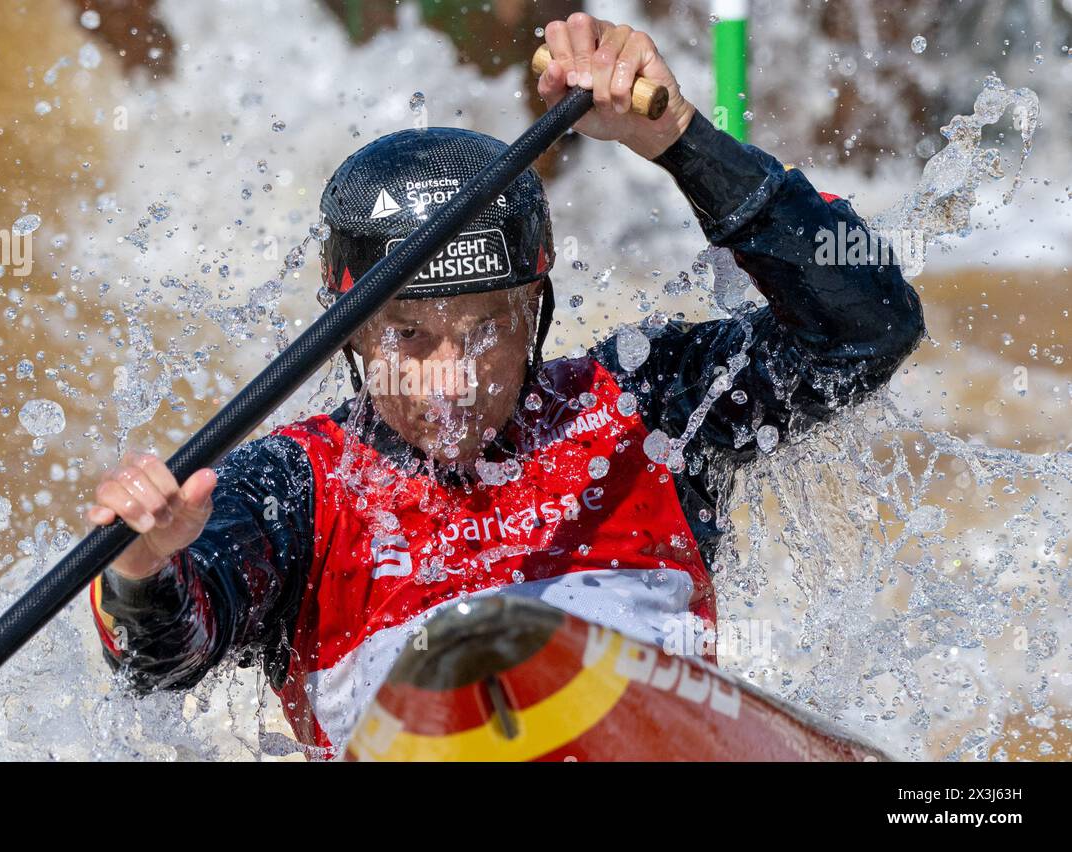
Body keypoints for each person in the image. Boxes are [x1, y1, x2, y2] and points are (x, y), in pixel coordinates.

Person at [84, 13, 925, 757]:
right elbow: (164, 660)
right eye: (407, 336)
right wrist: (140, 572)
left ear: (537, 309)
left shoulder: (651, 410)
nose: (449, 381)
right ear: (349, 336)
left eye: (486, 331)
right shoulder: (292, 492)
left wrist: (680, 141)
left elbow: (869, 329)